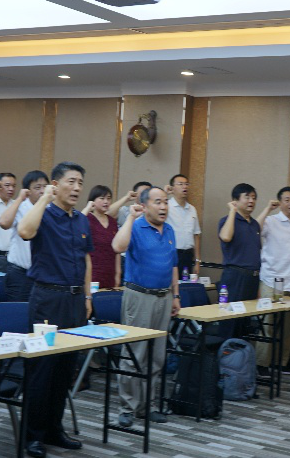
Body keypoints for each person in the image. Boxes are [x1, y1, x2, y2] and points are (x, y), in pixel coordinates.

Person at [17, 162, 93, 458]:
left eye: (80, 183)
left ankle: (54, 429)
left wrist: (87, 296)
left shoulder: (81, 220)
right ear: (56, 184)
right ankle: (32, 435)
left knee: (65, 370)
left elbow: (85, 260)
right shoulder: (43, 214)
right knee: (42, 371)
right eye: (71, 182)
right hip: (47, 299)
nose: (76, 188)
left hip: (74, 301)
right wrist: (44, 199)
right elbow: (24, 231)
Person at [112, 187, 179, 428]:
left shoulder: (169, 230)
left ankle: (147, 406)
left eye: (166, 202)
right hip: (139, 297)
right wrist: (131, 218)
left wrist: (176, 295)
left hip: (164, 297)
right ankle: (127, 408)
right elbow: (117, 247)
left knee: (156, 356)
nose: (163, 207)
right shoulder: (136, 226)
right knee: (134, 355)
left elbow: (173, 265)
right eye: (158, 202)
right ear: (144, 205)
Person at [256, 187, 290, 375]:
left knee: (287, 327)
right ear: (280, 203)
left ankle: (281, 362)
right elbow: (255, 230)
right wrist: (267, 209)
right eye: (287, 200)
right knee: (267, 323)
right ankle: (262, 364)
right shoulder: (271, 221)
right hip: (270, 279)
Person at [217, 183, 277, 338]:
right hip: (235, 277)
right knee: (231, 322)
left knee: (246, 324)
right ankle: (227, 351)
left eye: (254, 198)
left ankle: (242, 352)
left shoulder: (254, 224)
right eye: (247, 197)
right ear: (235, 200)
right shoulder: (227, 220)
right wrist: (232, 211)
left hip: (252, 278)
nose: (251, 201)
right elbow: (226, 237)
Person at [0, 170, 48, 301]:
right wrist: (20, 199)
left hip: (43, 274)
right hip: (20, 273)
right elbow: (3, 223)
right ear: (28, 191)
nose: (42, 191)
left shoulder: (50, 209)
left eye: (45, 187)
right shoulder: (20, 206)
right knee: (18, 309)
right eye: (37, 187)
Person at [82, 185, 121, 289]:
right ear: (93, 201)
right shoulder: (86, 219)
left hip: (110, 273)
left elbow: (117, 250)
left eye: (108, 198)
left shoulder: (112, 222)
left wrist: (118, 273)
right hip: (92, 273)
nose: (106, 202)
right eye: (102, 198)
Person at [164, 174, 201, 277]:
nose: (184, 187)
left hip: (188, 255)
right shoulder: (166, 207)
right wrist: (165, 194)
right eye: (180, 184)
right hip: (171, 254)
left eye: (186, 184)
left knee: (185, 284)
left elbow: (196, 235)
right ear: (172, 188)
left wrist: (197, 261)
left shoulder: (192, 209)